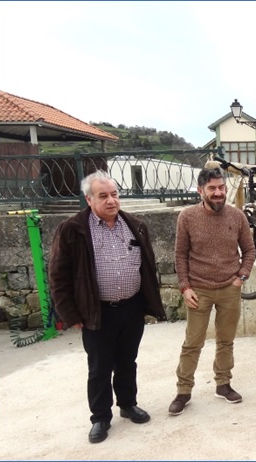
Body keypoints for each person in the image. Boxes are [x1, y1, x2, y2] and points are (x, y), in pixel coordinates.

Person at [49, 170, 167, 444]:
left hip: (132, 308)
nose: (111, 200)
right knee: (100, 367)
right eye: (103, 196)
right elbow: (58, 275)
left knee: (127, 361)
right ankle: (100, 418)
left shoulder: (135, 225)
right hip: (97, 311)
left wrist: (147, 302)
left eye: (115, 194)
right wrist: (70, 314)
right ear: (89, 199)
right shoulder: (72, 229)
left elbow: (147, 266)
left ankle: (127, 404)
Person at [168, 166, 256, 416]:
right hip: (199, 290)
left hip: (230, 288)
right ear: (200, 191)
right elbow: (180, 254)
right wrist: (185, 287)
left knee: (226, 341)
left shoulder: (237, 216)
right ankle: (183, 391)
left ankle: (223, 384)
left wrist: (241, 277)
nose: (218, 193)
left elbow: (249, 251)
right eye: (212, 189)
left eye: (221, 188)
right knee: (193, 342)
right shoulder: (187, 216)